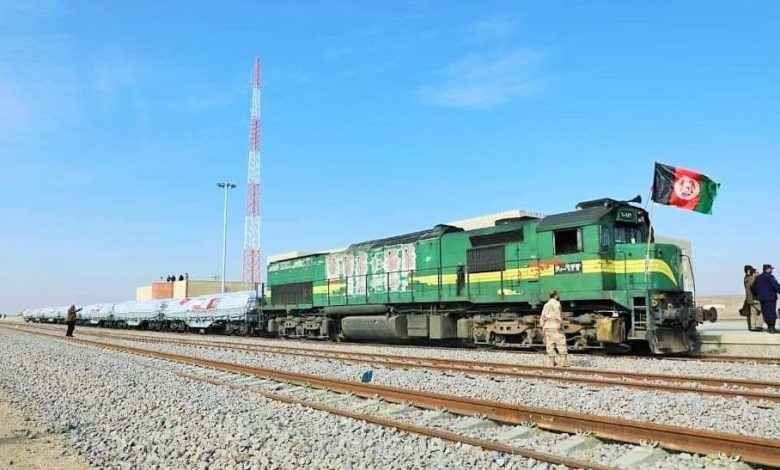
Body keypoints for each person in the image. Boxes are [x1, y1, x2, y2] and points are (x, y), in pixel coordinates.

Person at [540, 291, 570, 367]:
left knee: (550, 344)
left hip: (547, 326)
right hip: (555, 325)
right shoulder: (556, 303)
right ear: (556, 296)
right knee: (561, 343)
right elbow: (558, 315)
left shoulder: (546, 304)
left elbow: (542, 316)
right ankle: (563, 362)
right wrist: (560, 324)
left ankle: (552, 362)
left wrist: (542, 326)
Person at [752, 264, 780, 334]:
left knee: (766, 313)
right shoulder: (770, 277)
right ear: (767, 269)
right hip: (770, 298)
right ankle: (772, 328)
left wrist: (758, 294)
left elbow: (753, 287)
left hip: (762, 299)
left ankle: (769, 327)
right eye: (771, 269)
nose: (772, 270)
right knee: (771, 313)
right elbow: (776, 286)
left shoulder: (758, 278)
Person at [742, 265, 763, 331]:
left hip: (749, 299)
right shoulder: (752, 278)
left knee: (753, 313)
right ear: (748, 271)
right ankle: (759, 326)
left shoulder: (746, 278)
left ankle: (752, 327)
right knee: (762, 311)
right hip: (754, 298)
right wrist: (757, 275)